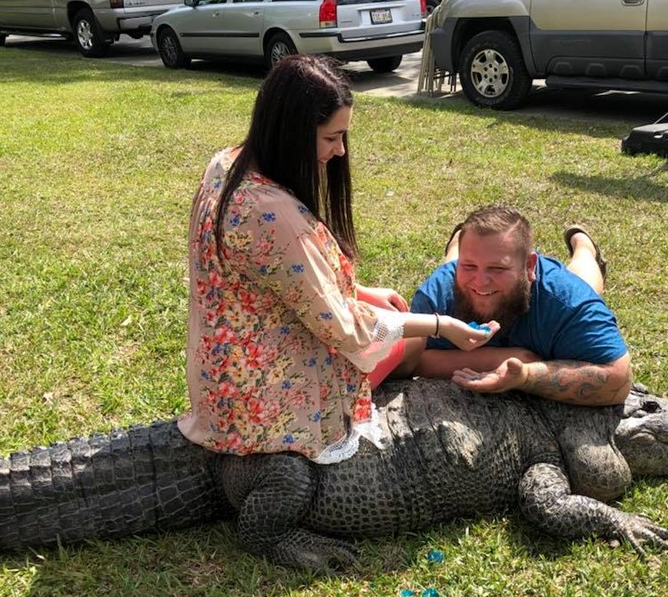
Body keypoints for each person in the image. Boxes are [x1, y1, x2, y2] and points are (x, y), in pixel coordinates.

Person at [179, 55, 497, 465]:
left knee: (393, 316)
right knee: (412, 335)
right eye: (332, 138)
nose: (340, 150)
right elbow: (348, 331)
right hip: (258, 410)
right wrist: (441, 324)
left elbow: (274, 276)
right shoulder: (272, 214)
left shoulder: (224, 164)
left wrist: (359, 290)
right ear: (292, 133)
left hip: (222, 378)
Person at [394, 205, 632, 407]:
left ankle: (585, 247)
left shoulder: (567, 300)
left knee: (585, 280)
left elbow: (619, 379)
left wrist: (526, 375)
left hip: (558, 287)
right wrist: (506, 357)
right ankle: (458, 243)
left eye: (497, 268)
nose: (480, 280)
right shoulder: (436, 295)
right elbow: (409, 360)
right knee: (462, 273)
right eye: (468, 266)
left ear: (530, 266)